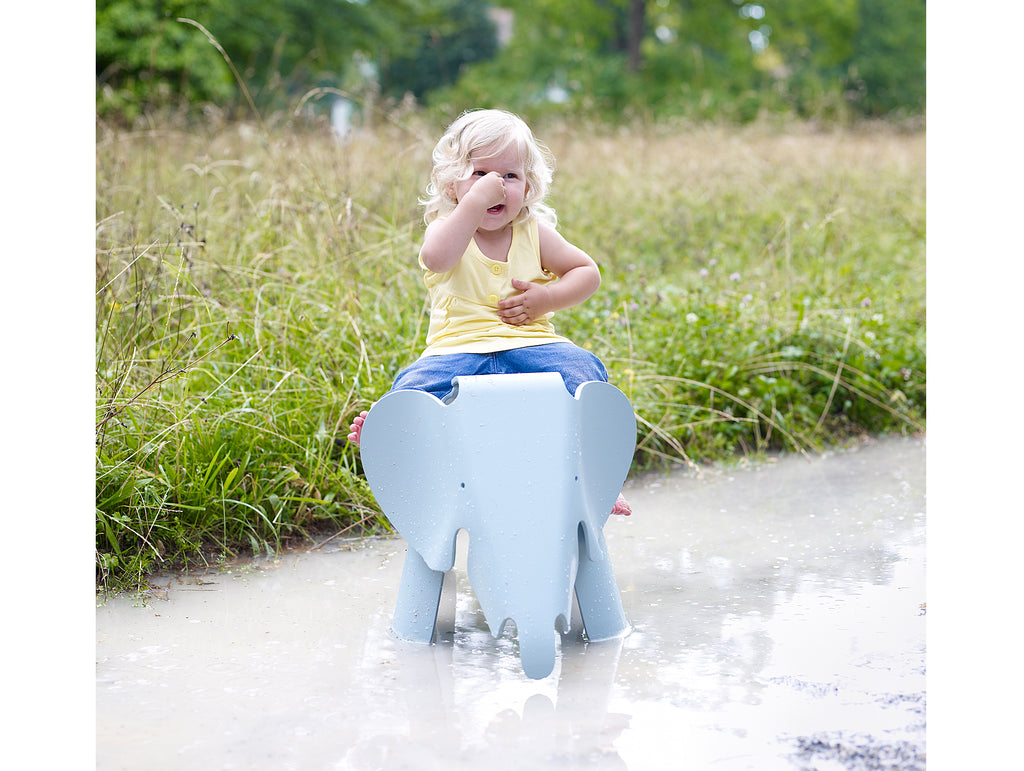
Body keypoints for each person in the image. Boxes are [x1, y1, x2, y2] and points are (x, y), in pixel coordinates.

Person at [348, 108, 630, 515]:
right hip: (456, 352)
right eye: (480, 175)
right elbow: (437, 258)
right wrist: (474, 205)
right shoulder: (447, 229)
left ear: (529, 185)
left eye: (509, 176)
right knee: (414, 389)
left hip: (533, 347)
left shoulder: (533, 233)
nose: (495, 187)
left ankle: (595, 479)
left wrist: (546, 299)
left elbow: (587, 271)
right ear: (451, 184)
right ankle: (390, 433)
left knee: (584, 375)